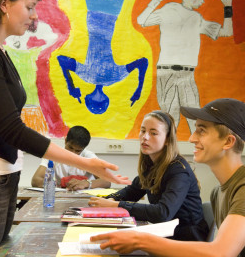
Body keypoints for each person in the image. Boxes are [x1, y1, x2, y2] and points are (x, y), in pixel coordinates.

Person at [0, 0, 130, 256]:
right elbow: (11, 129)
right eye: (29, 6)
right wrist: (84, 163)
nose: (34, 15)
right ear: (4, 4)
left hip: (3, 175)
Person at [91, 98, 245, 257]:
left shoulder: (242, 188)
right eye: (143, 131)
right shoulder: (218, 192)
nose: (191, 138)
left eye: (202, 130)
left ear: (228, 142)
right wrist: (104, 202)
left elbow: (220, 253)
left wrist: (140, 240)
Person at [89, 110, 208, 241]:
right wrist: (110, 199)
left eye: (153, 133)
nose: (145, 137)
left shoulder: (178, 170)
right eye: (143, 131)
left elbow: (162, 213)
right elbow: (132, 191)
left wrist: (116, 205)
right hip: (167, 234)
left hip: (187, 240)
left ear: (168, 139)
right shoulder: (152, 165)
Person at [137, 0, 233, 133]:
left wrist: (228, 7)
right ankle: (167, 153)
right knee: (169, 119)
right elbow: (141, 20)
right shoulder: (169, 10)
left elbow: (227, 32)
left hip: (187, 74)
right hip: (166, 72)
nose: (202, 1)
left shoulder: (196, 18)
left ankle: (198, 151)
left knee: (194, 116)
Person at [32, 126, 111, 190]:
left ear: (84, 148)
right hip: (60, 197)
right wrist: (54, 184)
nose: (73, 153)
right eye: (70, 148)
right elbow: (35, 180)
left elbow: (107, 181)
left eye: (78, 151)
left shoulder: (89, 157)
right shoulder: (53, 155)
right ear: (66, 141)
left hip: (84, 200)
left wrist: (86, 183)